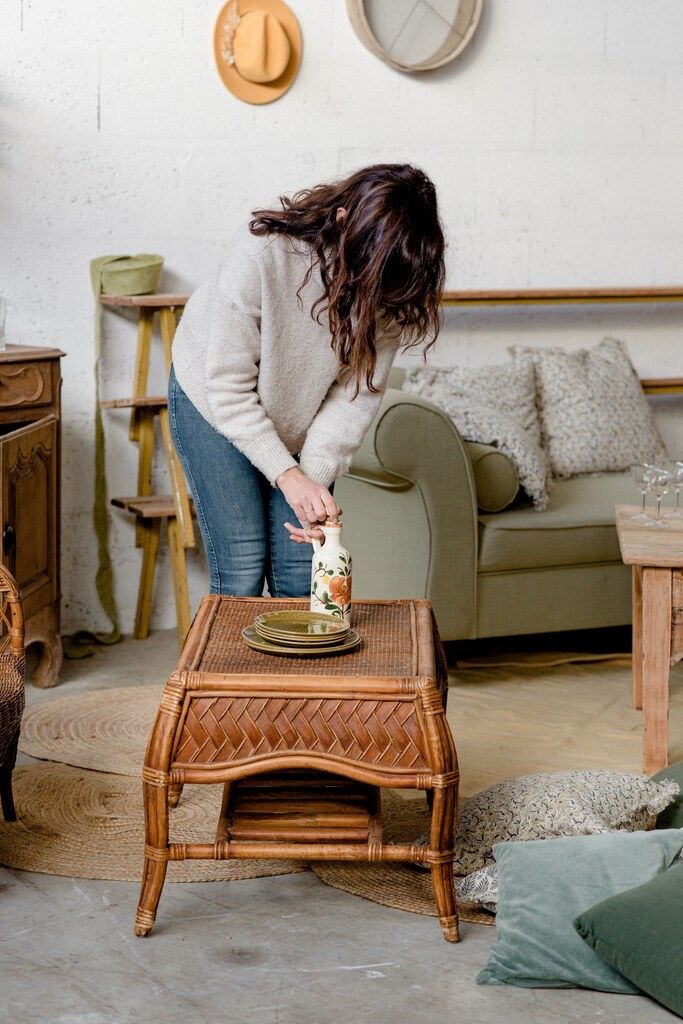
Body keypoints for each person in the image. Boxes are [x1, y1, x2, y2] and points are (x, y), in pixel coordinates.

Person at [169, 162, 445, 598]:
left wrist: (310, 483)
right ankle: (230, 669)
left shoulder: (394, 283)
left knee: (302, 574)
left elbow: (352, 399)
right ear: (341, 220)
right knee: (241, 569)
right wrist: (287, 476)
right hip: (214, 400)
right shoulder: (263, 255)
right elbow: (228, 388)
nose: (370, 295)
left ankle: (291, 670)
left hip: (299, 413)